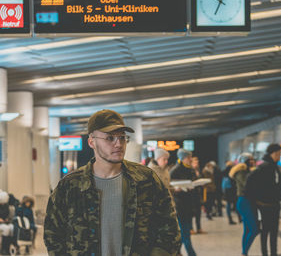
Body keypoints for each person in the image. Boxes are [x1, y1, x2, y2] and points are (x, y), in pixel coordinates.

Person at [44, 109, 180, 256]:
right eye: (110, 138)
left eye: (122, 137)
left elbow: (170, 229)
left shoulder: (145, 180)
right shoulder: (70, 186)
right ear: (92, 142)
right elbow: (53, 235)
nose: (118, 144)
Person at [245, 144, 281, 256]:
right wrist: (256, 199)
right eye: (279, 154)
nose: (280, 156)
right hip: (266, 205)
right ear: (275, 153)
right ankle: (266, 253)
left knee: (271, 232)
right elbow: (250, 183)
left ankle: (272, 253)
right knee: (267, 231)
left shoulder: (273, 166)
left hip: (273, 204)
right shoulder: (264, 167)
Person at [229, 153, 258, 256]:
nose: (253, 162)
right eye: (250, 160)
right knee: (255, 230)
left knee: (247, 230)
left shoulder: (246, 171)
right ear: (245, 161)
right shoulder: (241, 171)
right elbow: (247, 185)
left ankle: (244, 252)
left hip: (247, 201)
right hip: (244, 201)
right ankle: (244, 253)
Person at [170, 149, 197, 256]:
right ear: (183, 158)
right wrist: (178, 189)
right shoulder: (175, 170)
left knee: (183, 233)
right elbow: (170, 187)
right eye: (189, 157)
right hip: (180, 205)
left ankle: (177, 253)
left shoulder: (190, 169)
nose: (191, 159)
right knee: (185, 234)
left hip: (188, 205)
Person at [190, 156, 205, 234]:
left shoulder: (199, 171)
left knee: (198, 212)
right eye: (195, 162)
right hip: (192, 194)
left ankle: (199, 228)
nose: (197, 164)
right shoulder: (190, 171)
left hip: (198, 193)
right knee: (192, 212)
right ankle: (191, 228)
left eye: (197, 162)